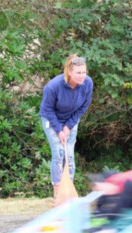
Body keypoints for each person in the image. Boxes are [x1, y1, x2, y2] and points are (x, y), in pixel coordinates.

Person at [39, 54, 93, 199]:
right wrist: (59, 129)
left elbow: (83, 106)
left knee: (68, 153)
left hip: (71, 119)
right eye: (78, 73)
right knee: (58, 153)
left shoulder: (88, 83)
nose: (82, 76)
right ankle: (57, 193)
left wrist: (68, 126)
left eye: (84, 72)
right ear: (69, 72)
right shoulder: (53, 86)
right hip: (51, 119)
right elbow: (48, 110)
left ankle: (67, 191)